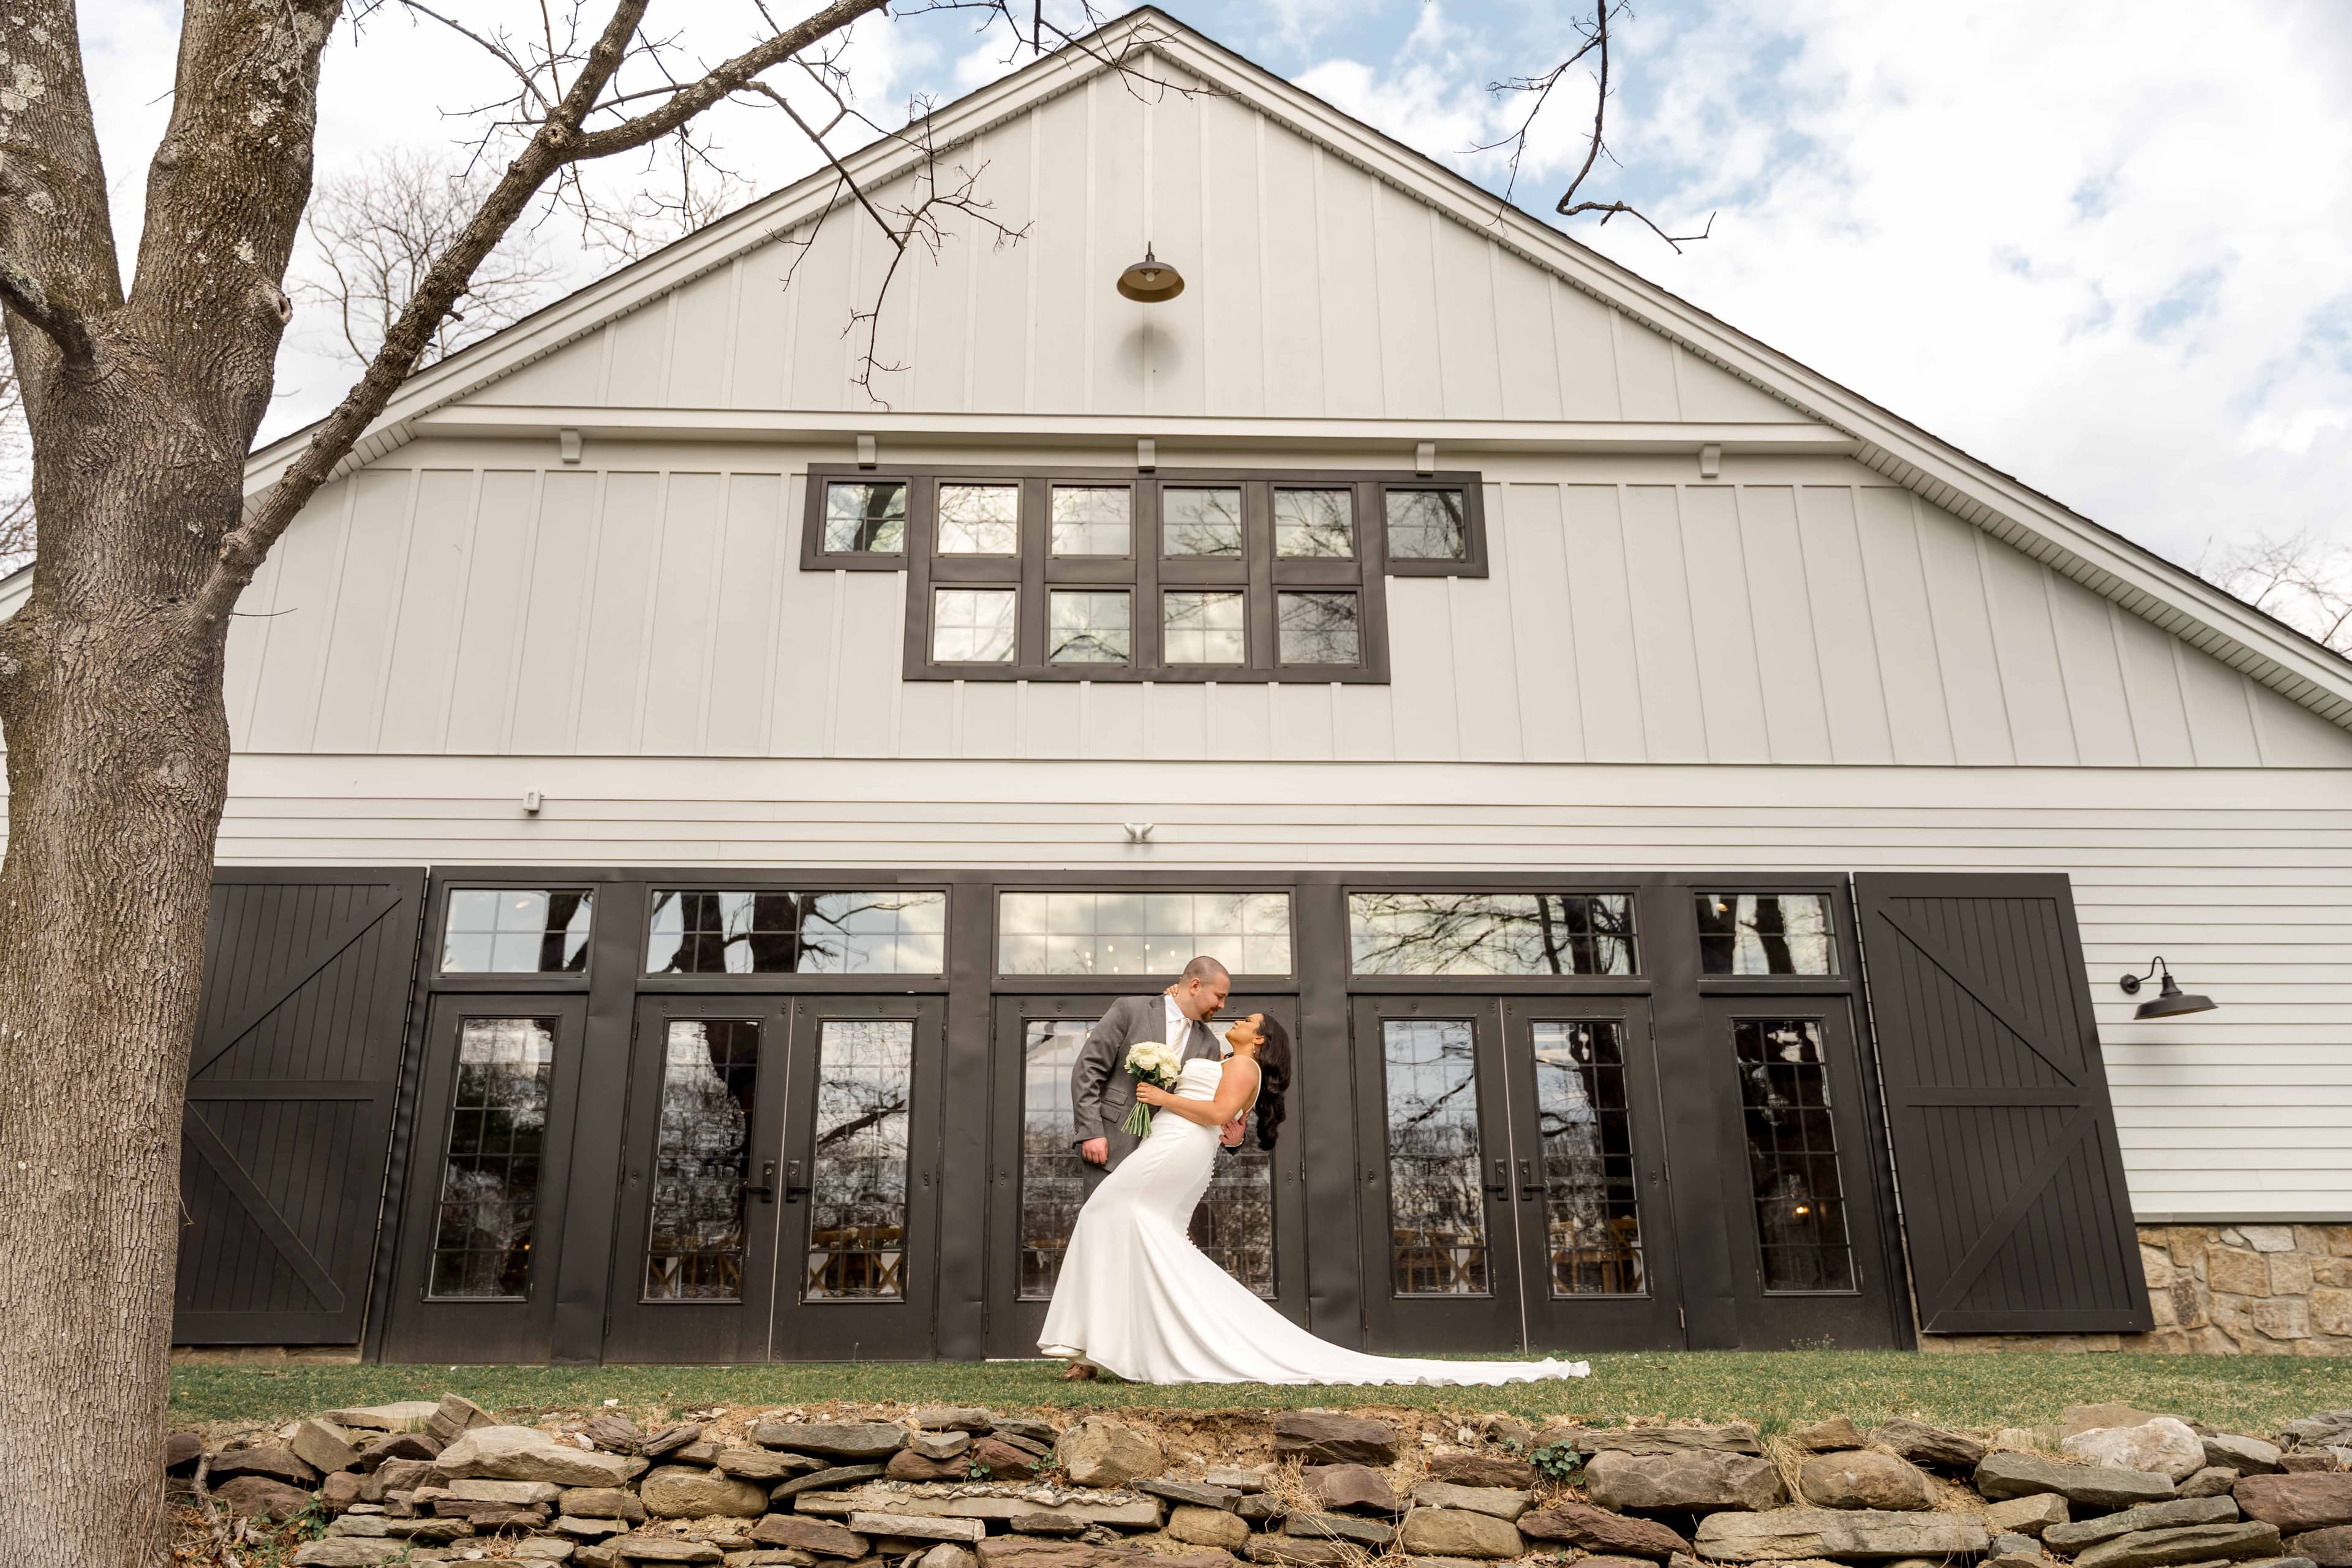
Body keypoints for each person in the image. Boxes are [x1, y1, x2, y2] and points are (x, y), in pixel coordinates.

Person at [1040, 1006, 1589, 1386]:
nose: (1238, 1019)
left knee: (1109, 1211)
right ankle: (1120, 1341)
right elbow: (1228, 1124)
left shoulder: (1243, 1065)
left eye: (1248, 1021)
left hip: (1178, 1145)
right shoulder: (1228, 1060)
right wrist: (1173, 1103)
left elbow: (1217, 1113)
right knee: (1134, 1228)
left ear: (1258, 1040)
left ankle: (1113, 1341)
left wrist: (1162, 1096)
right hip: (1172, 1141)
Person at [1067, 956, 1245, 1186]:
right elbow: (1088, 1069)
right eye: (1219, 996)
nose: (1222, 1006)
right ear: (1195, 986)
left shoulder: (1210, 1043)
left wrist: (1235, 1140)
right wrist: (1091, 1131)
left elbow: (1211, 1103)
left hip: (1167, 1163)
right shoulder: (1131, 1010)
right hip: (1110, 1148)